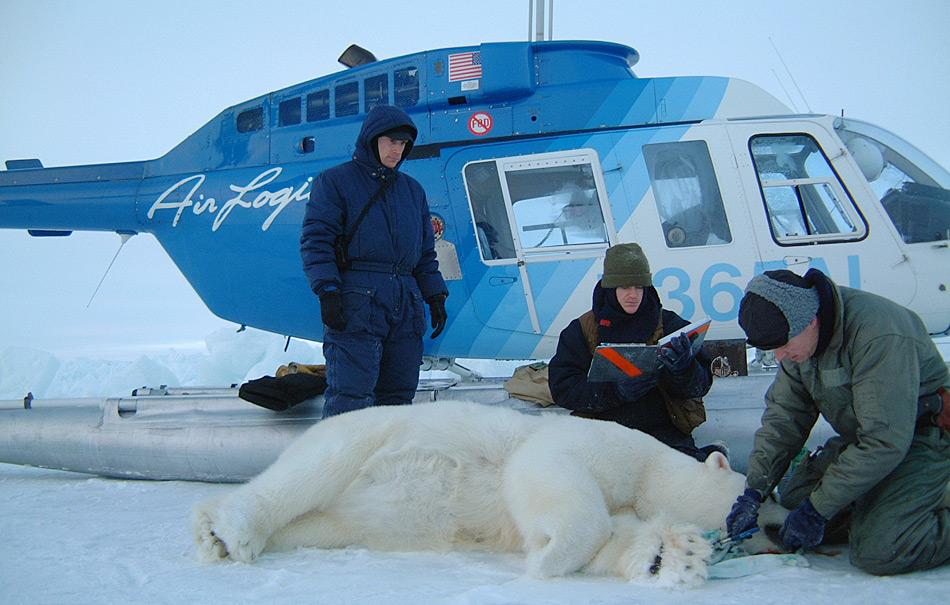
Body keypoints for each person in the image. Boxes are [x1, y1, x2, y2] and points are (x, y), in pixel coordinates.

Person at [725, 268, 950, 575]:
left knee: (882, 549)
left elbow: (885, 441)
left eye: (782, 344)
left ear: (811, 320)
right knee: (793, 505)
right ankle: (886, 504)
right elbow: (783, 421)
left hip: (923, 437)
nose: (779, 357)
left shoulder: (878, 334)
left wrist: (818, 510)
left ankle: (927, 499)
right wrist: (754, 491)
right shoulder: (800, 345)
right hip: (867, 439)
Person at [300, 105, 448, 419]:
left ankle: (386, 467)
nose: (398, 149)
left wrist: (434, 295)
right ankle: (342, 466)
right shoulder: (335, 182)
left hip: (405, 303)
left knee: (397, 397)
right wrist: (327, 291)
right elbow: (317, 240)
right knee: (350, 398)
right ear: (371, 139)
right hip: (357, 301)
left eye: (404, 144)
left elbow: (424, 253)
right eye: (391, 141)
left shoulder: (412, 191)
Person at [548, 243, 718, 461]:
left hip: (663, 434)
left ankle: (707, 458)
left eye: (639, 287)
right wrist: (615, 392)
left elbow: (700, 386)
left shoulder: (671, 325)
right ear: (610, 288)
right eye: (625, 287)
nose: (633, 295)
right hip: (603, 436)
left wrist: (684, 369)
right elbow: (563, 389)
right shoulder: (581, 331)